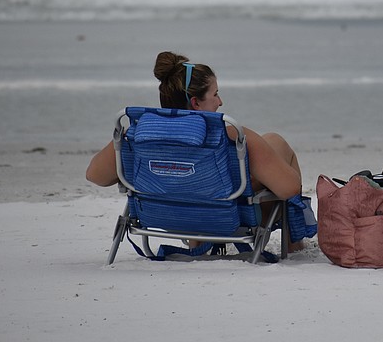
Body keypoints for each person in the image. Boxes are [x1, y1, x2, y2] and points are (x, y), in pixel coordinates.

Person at [86, 51, 305, 248]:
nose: (220, 101)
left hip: (165, 215)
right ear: (196, 103)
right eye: (215, 94)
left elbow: (95, 176)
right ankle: (294, 245)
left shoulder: (141, 136)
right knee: (275, 142)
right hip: (224, 217)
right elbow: (290, 189)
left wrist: (126, 139)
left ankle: (197, 240)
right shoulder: (231, 135)